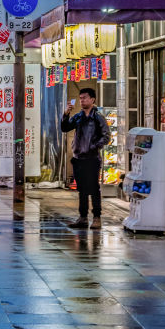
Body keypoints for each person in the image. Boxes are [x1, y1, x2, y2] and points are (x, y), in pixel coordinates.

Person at [61, 88, 111, 230]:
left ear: (92, 99)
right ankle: (82, 218)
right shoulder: (79, 116)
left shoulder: (98, 117)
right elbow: (65, 128)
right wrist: (66, 113)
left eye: (85, 98)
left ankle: (97, 218)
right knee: (82, 189)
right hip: (78, 158)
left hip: (92, 158)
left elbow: (106, 136)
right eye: (80, 98)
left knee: (94, 189)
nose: (82, 100)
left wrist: (94, 146)